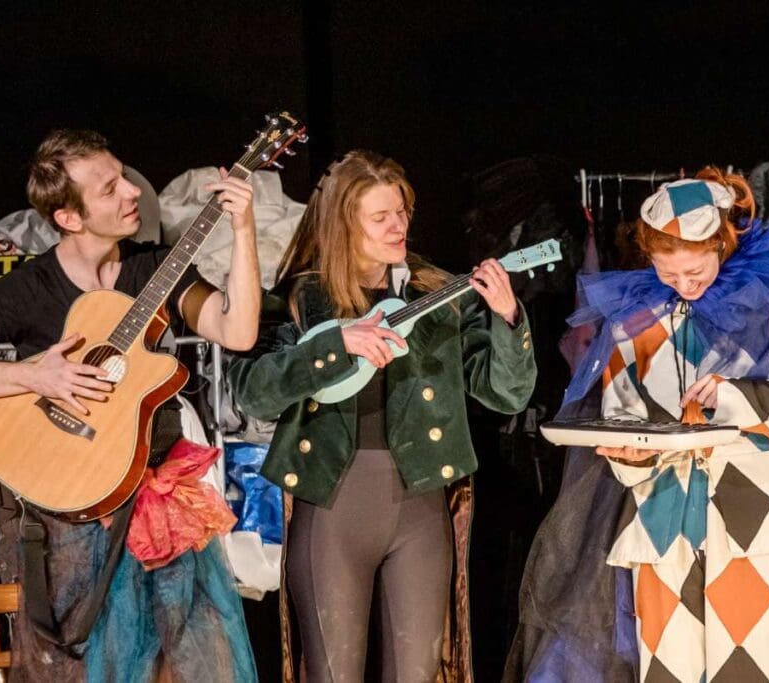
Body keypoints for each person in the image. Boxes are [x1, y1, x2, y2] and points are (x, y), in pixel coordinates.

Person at [504, 168, 769, 682]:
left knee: (750, 672)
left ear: (721, 244)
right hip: (663, 518)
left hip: (755, 514)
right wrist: (631, 459)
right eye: (669, 273)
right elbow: (622, 414)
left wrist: (736, 396)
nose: (684, 284)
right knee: (667, 672)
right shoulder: (635, 319)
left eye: (695, 270)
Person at [0, 129, 261, 682]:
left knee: (186, 655)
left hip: (156, 495)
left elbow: (237, 331)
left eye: (124, 177)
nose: (133, 192)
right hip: (71, 507)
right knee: (88, 659)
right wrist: (33, 374)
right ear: (69, 217)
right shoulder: (31, 287)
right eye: (109, 189)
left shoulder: (155, 267)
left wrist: (243, 230)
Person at [226, 149, 537, 681]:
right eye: (380, 217)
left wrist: (508, 318)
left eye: (402, 211)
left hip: (420, 505)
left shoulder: (437, 293)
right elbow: (253, 394)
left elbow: (506, 395)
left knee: (419, 673)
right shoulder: (302, 298)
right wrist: (334, 347)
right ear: (343, 224)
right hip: (333, 506)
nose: (399, 226)